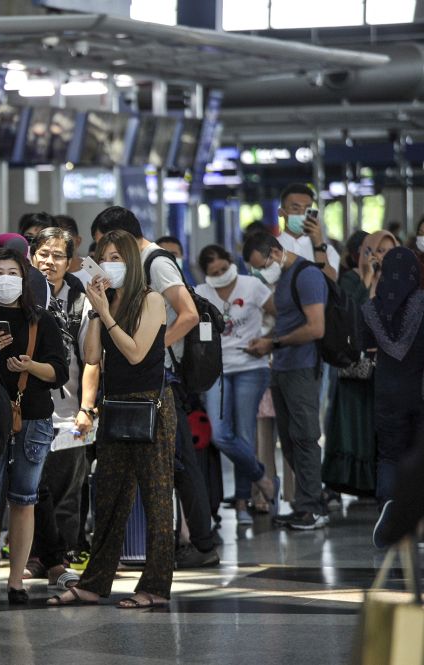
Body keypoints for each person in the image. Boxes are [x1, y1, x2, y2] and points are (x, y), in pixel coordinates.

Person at [47, 229, 175, 609]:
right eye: (104, 258)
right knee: (109, 498)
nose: (110, 265)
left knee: (155, 499)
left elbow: (136, 353)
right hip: (115, 406)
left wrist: (105, 312)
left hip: (151, 405)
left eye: (118, 258)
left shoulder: (151, 300)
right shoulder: (106, 301)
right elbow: (91, 356)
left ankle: (154, 586)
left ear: (132, 263)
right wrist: (97, 310)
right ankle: (94, 582)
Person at [92, 207, 216, 568]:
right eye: (102, 254)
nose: (105, 260)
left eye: (110, 250)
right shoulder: (119, 282)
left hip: (158, 381)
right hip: (132, 386)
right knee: (156, 472)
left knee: (176, 467)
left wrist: (149, 348)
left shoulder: (155, 264)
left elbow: (188, 314)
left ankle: (202, 543)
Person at [0, 247, 68, 605]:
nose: (5, 280)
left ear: (25, 278)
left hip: (33, 417)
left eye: (12, 273)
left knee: (25, 499)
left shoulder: (41, 320)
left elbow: (58, 373)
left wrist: (30, 366)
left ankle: (16, 581)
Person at [243, 232, 328, 530]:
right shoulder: (285, 278)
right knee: (290, 441)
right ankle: (305, 503)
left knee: (304, 437)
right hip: (282, 367)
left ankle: (313, 507)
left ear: (276, 253)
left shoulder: (307, 276)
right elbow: (286, 322)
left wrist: (274, 343)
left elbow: (316, 328)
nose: (258, 272)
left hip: (302, 367)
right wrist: (266, 341)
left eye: (260, 264)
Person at [27, 227, 97, 588]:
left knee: (68, 489)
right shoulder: (19, 294)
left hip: (70, 412)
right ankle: (38, 557)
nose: (49, 262)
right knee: (31, 488)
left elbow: (91, 359)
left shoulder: (80, 299)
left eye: (57, 256)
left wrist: (88, 409)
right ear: (31, 255)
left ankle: (64, 556)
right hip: (29, 411)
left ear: (70, 262)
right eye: (43, 254)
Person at [195, 245, 279, 525]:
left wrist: (268, 340)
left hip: (251, 368)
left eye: (222, 268)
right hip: (216, 371)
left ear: (231, 263)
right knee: (220, 435)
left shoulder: (252, 285)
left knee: (244, 436)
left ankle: (242, 503)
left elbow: (281, 315)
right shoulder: (202, 293)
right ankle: (261, 477)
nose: (220, 275)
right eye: (213, 272)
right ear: (205, 274)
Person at [360, 247, 424, 505]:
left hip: (386, 393)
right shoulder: (423, 302)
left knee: (388, 455)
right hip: (419, 392)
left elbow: (365, 346)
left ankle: (388, 507)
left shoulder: (371, 309)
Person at [322, 231, 383, 498]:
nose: (377, 256)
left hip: (383, 367)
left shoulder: (395, 281)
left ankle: (375, 481)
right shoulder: (349, 280)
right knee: (352, 423)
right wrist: (367, 280)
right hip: (354, 365)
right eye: (372, 250)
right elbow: (353, 315)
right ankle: (345, 481)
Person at [274, 183, 340, 282]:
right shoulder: (271, 247)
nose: (302, 214)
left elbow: (331, 283)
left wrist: (318, 245)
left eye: (307, 209)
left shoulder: (327, 250)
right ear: (281, 212)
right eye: (295, 208)